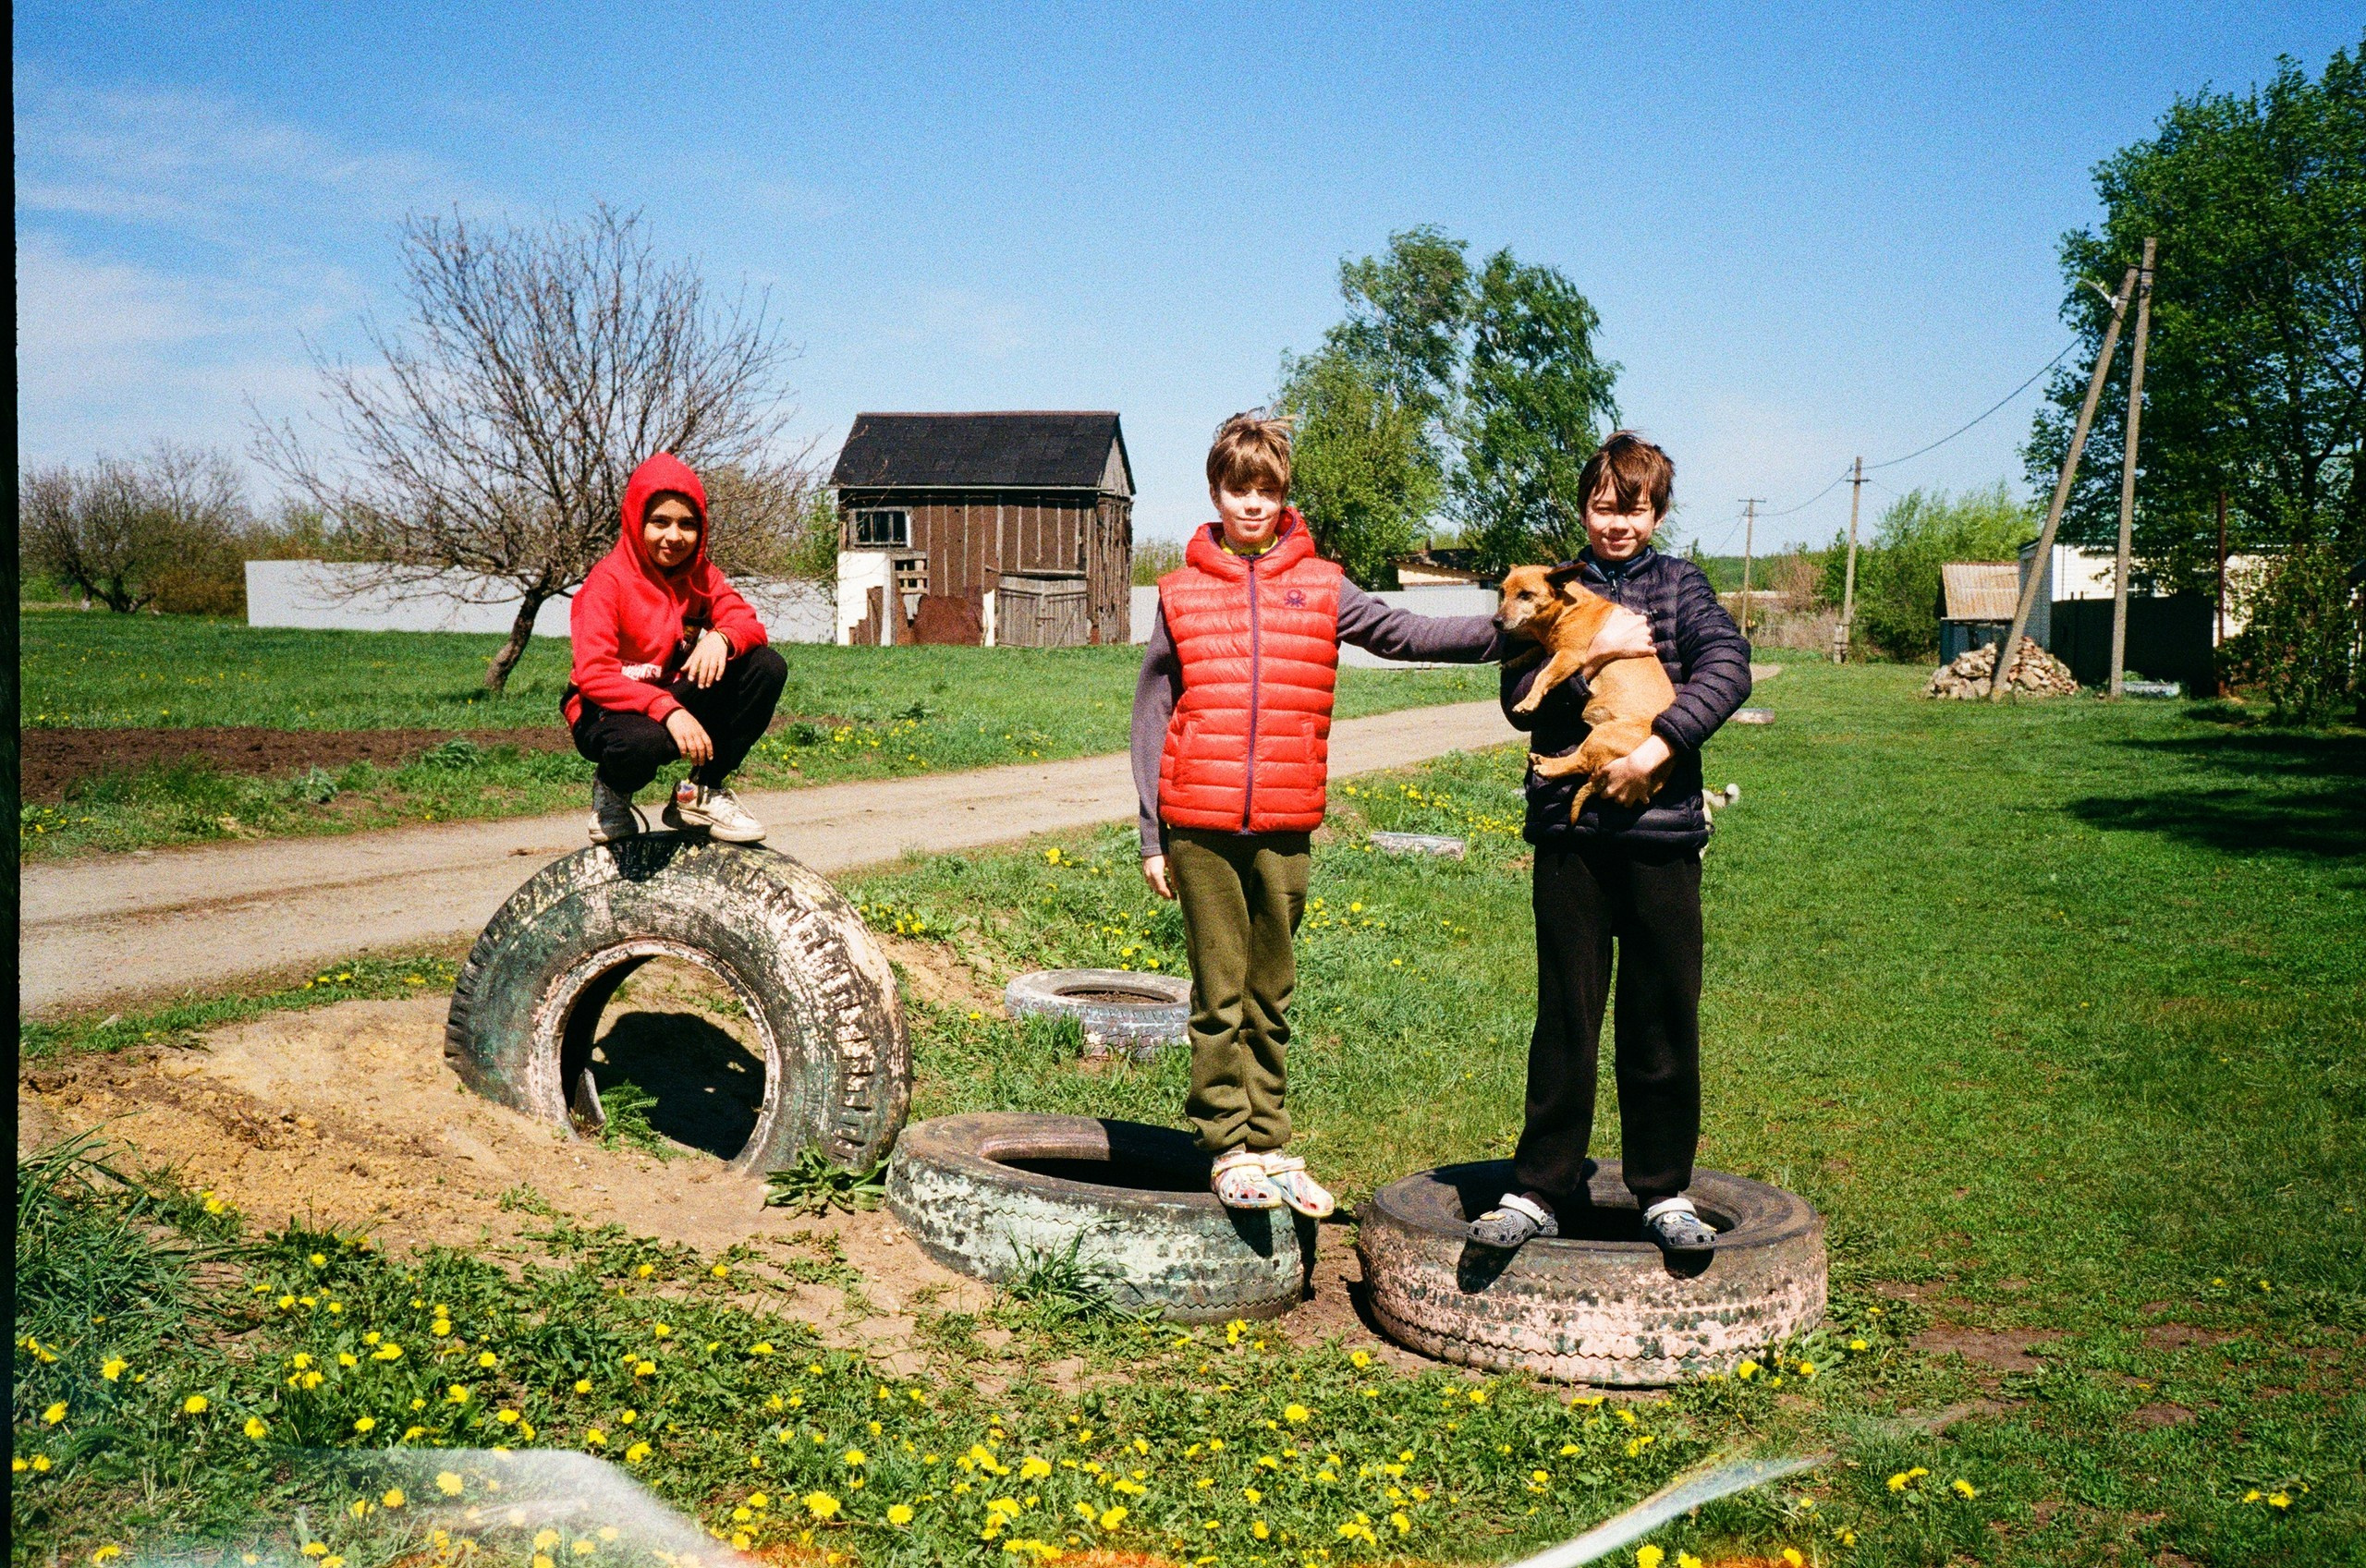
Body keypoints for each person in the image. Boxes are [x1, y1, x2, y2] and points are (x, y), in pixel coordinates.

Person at [1133, 412, 1543, 1215]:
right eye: (1235, 489)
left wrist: (1512, 633)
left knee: (1271, 991)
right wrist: (1152, 832)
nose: (1250, 504)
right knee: (1219, 992)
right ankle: (1224, 1145)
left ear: (1283, 496)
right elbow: (1152, 710)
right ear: (1215, 493)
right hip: (1199, 824)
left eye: (1265, 490)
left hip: (1284, 822)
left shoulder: (1322, 585)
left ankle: (1268, 1141)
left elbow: (1407, 632)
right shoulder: (1179, 593)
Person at [1470, 431, 1752, 1254]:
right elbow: (1520, 694)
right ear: (1584, 508)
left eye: (1633, 507)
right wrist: (1591, 651)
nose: (1616, 522)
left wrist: (1659, 748)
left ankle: (1663, 1191)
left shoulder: (1681, 587)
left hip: (1662, 833)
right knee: (1566, 1011)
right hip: (1572, 834)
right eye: (1603, 505)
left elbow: (1727, 665)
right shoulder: (1550, 589)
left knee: (1661, 1013)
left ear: (1657, 512)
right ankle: (1539, 1187)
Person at [565, 452, 786, 845]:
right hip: (607, 708)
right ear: (636, 522)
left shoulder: (701, 573)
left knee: (765, 667)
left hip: (670, 692)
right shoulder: (606, 583)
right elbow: (594, 675)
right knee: (642, 744)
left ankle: (697, 794)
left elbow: (748, 623)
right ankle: (612, 792)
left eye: (687, 524)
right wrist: (668, 711)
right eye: (659, 522)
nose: (674, 536)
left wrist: (722, 637)